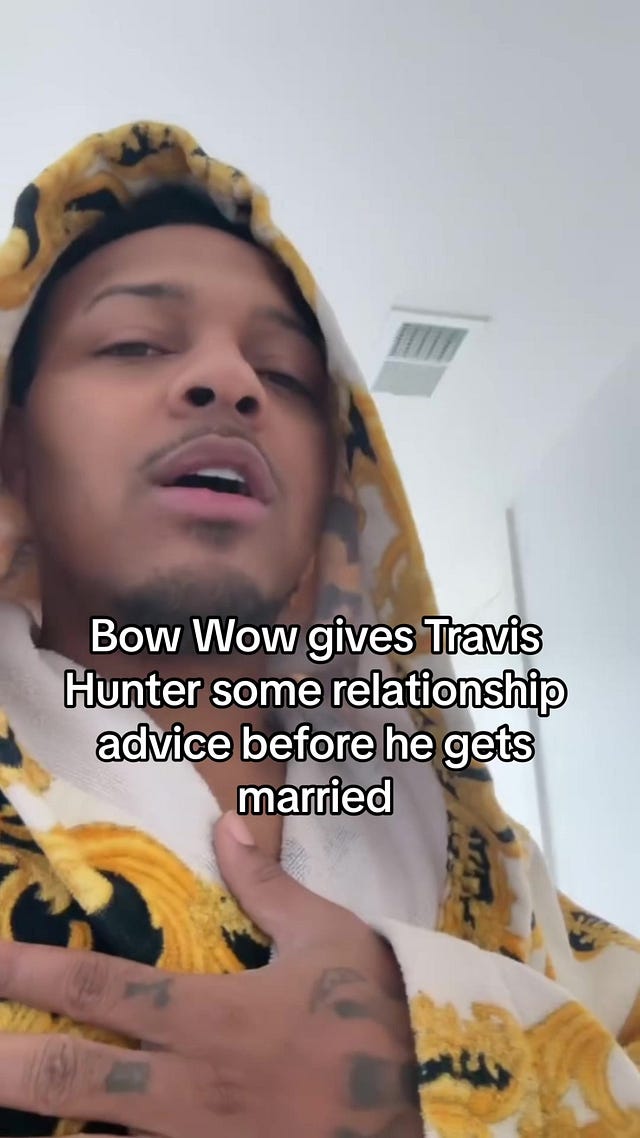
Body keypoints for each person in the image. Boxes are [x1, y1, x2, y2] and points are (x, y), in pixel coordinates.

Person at [0, 121, 637, 1138]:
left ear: (336, 500)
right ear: (14, 455)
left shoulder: (493, 874)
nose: (230, 380)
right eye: (134, 344)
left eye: (289, 376)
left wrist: (452, 1068)